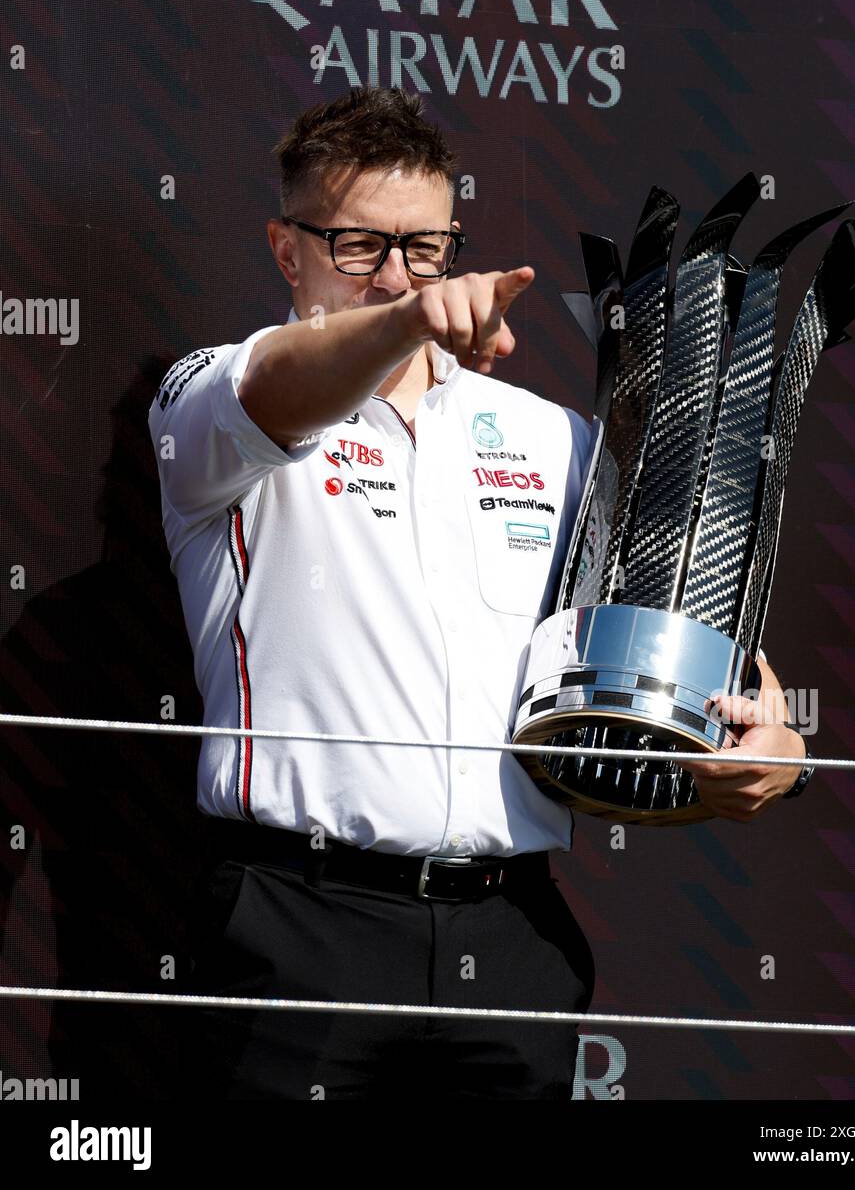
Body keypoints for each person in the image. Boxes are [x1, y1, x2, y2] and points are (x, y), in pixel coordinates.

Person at [148, 85, 808, 1101]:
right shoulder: (211, 399)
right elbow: (275, 386)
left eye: (425, 251)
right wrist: (407, 321)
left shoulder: (555, 439)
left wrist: (774, 749)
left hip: (512, 942)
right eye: (358, 246)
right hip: (296, 929)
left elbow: (689, 660)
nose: (397, 276)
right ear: (288, 250)